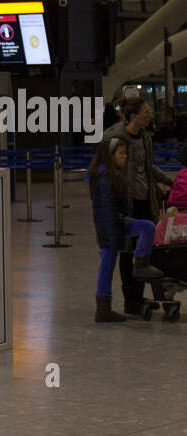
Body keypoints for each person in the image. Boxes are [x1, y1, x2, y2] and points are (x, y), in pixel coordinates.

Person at [104, 92, 173, 316]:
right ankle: (130, 301)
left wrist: (171, 181)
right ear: (133, 116)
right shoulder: (115, 137)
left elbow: (149, 168)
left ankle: (139, 296)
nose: (149, 115)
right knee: (127, 252)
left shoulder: (144, 136)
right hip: (127, 204)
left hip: (146, 202)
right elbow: (104, 168)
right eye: (145, 112)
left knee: (145, 252)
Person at [89, 136, 161, 322]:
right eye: (121, 153)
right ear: (110, 156)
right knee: (107, 264)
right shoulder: (106, 178)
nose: (125, 156)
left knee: (146, 227)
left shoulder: (109, 175)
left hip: (113, 226)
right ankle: (140, 265)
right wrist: (115, 238)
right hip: (111, 228)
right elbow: (107, 211)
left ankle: (140, 265)